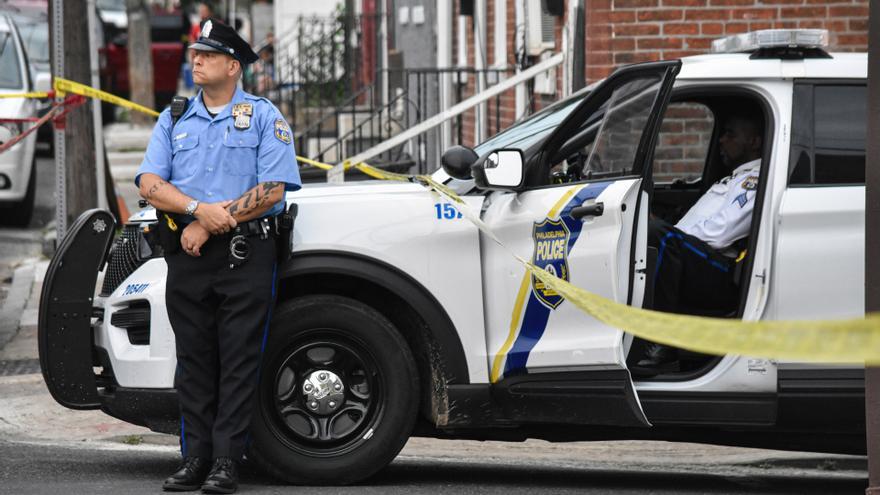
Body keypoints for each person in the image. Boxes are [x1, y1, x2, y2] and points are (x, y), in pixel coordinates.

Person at [135, 18, 301, 493]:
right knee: (195, 360)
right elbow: (149, 183)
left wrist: (208, 222)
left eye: (207, 54)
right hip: (187, 254)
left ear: (233, 65)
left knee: (239, 359)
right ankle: (194, 459)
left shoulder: (265, 117)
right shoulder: (174, 116)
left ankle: (227, 461)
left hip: (245, 254)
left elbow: (271, 190)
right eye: (194, 54)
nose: (196, 60)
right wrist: (193, 211)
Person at [635, 112, 763, 373]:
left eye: (730, 134)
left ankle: (662, 341)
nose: (721, 140)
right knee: (659, 232)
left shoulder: (754, 179)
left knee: (663, 235)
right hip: (700, 260)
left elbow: (720, 233)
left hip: (722, 274)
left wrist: (671, 233)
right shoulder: (735, 176)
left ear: (754, 141)